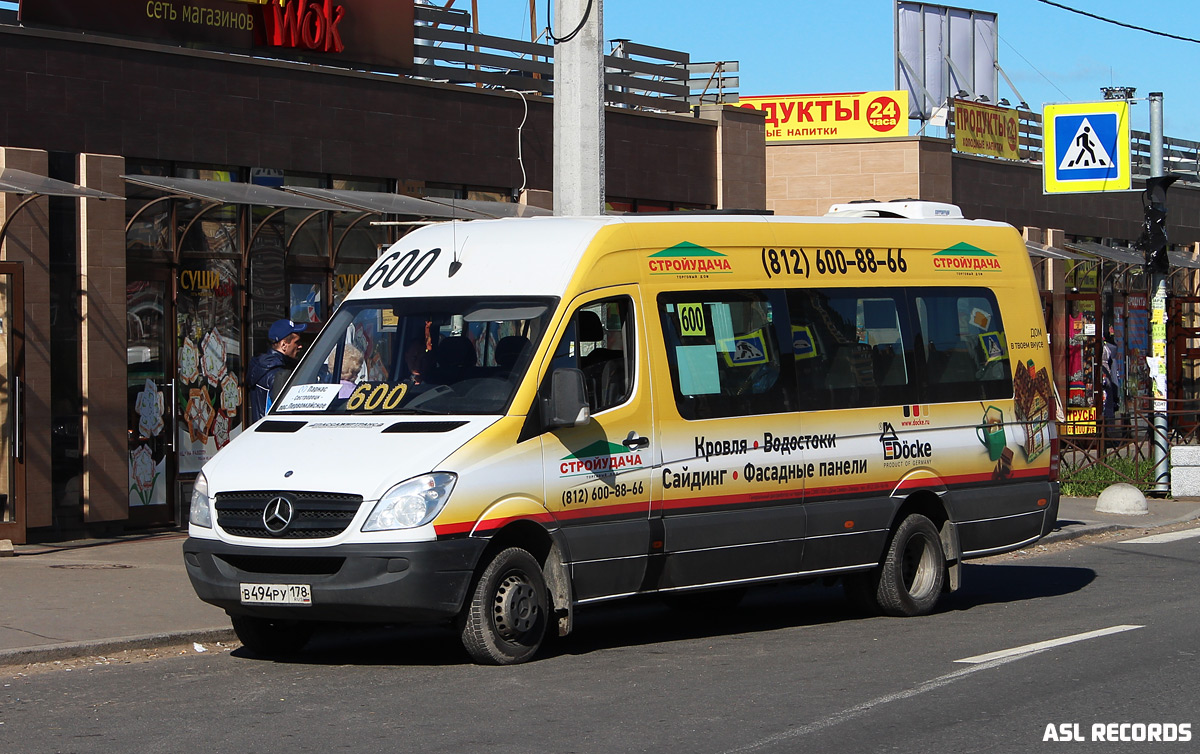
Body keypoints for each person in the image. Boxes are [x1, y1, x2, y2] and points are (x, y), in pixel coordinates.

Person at [247, 319, 306, 422]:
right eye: (297, 342)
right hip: (273, 432)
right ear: (283, 345)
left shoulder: (264, 367)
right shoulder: (277, 374)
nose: (300, 346)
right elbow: (285, 415)